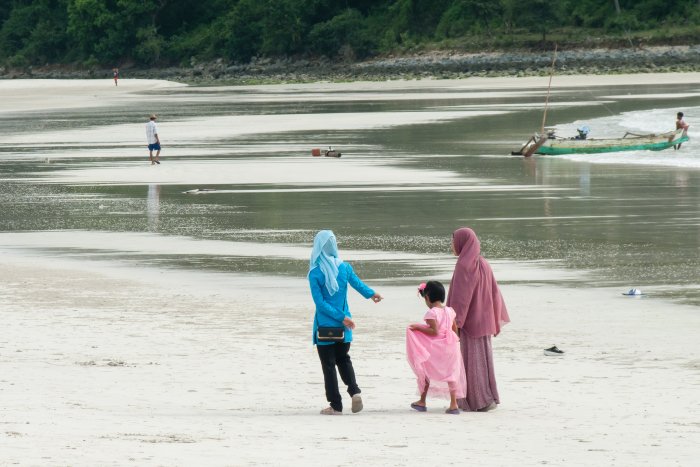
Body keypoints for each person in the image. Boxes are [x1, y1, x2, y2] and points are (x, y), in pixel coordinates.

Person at [308, 230, 383, 415]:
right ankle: (354, 392)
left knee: (328, 366)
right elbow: (358, 284)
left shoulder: (315, 273)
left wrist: (340, 317)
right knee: (344, 359)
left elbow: (320, 304)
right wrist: (372, 294)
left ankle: (336, 405)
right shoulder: (345, 268)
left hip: (326, 327)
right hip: (345, 327)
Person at [446, 227, 510, 412]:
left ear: (462, 242)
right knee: (483, 360)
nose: (451, 246)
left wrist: (455, 323)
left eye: (453, 241)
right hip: (484, 320)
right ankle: (487, 398)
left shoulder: (464, 265)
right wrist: (493, 316)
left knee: (471, 361)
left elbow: (461, 298)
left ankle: (476, 400)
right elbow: (494, 294)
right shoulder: (483, 263)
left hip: (468, 324)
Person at [406, 281, 466, 415]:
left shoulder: (431, 313)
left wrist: (417, 327)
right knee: (452, 375)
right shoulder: (450, 311)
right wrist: (454, 342)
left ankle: (422, 401)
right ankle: (453, 404)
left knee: (426, 370)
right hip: (451, 347)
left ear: (427, 297)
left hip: (437, 348)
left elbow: (434, 331)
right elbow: (454, 330)